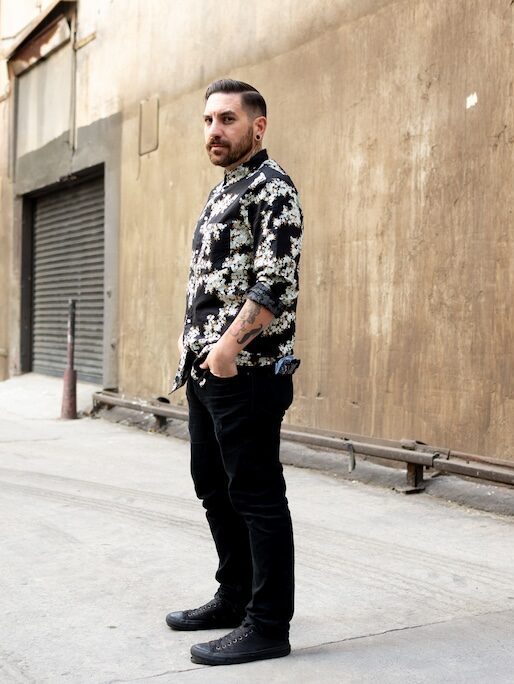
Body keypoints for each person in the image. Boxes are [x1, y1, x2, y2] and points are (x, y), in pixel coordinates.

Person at [167, 78, 304, 666]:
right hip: (207, 371)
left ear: (258, 126)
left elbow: (274, 281)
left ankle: (269, 625)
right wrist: (196, 353)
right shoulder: (223, 191)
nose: (214, 131)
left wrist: (225, 349)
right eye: (207, 121)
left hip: (245, 369)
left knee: (256, 495)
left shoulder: (274, 189)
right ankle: (235, 595)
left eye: (227, 119)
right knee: (213, 487)